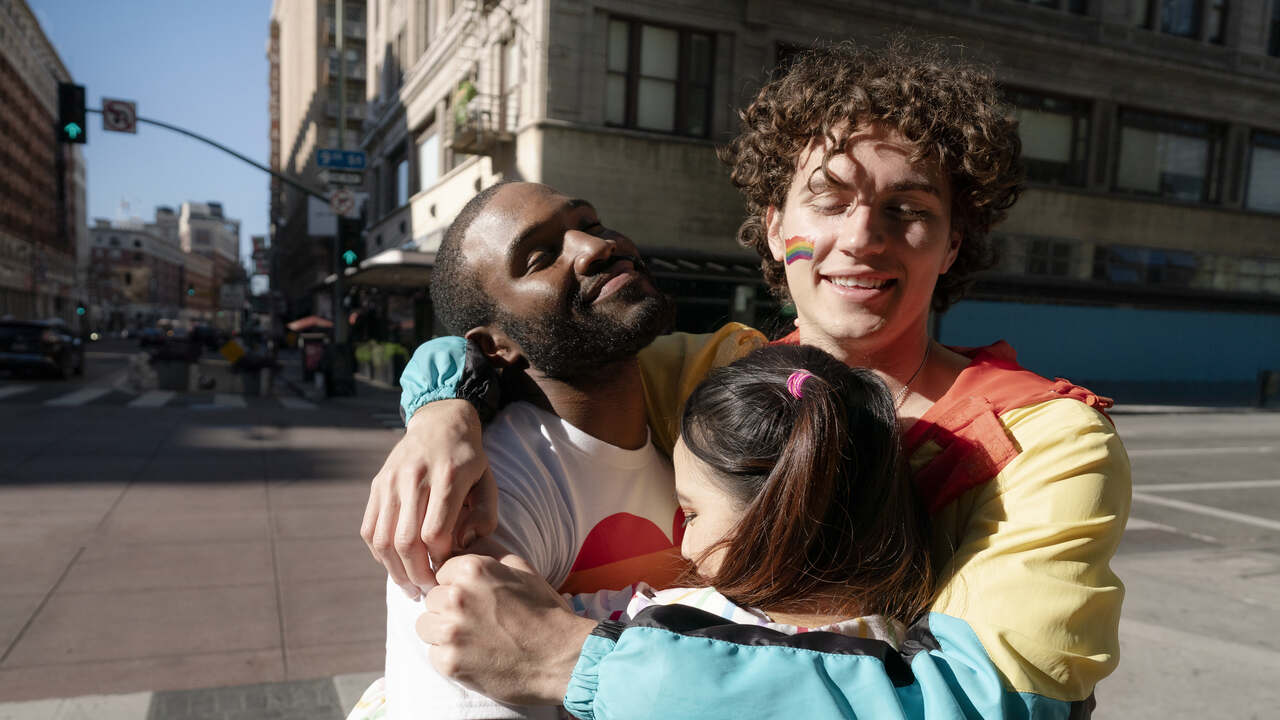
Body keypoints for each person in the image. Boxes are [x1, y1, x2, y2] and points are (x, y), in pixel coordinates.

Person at [367, 41, 1131, 718]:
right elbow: (527, 342)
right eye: (828, 200)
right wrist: (442, 409)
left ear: (954, 241)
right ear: (775, 226)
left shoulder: (1048, 443)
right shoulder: (714, 370)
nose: (861, 239)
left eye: (908, 209)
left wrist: (572, 661)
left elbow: (986, 703)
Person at [354, 180, 762, 720]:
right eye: (541, 256)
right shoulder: (479, 494)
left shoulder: (689, 416)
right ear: (494, 347)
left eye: (591, 225)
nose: (595, 247)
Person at [559, 342, 933, 648]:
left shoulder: (671, 622)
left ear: (770, 517)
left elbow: (543, 625)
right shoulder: (900, 643)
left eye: (691, 515)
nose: (685, 547)